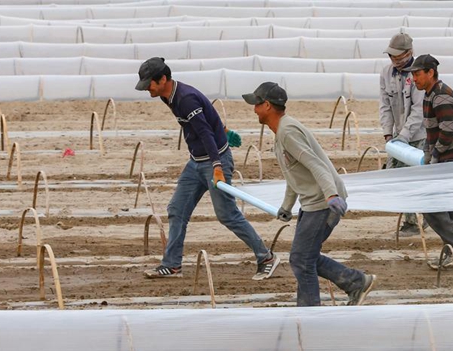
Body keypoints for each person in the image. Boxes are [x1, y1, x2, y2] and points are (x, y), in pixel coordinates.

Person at [135, 57, 279, 280]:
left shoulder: (185, 99)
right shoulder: (168, 97)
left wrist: (218, 166)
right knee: (177, 209)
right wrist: (224, 129)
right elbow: (205, 117)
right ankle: (172, 265)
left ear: (163, 79)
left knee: (227, 215)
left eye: (149, 84)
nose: (147, 89)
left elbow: (205, 133)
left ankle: (266, 257)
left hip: (214, 161)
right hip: (196, 162)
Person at [242, 82, 377, 307]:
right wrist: (286, 207)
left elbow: (316, 165)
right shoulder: (281, 132)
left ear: (267, 105)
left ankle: (310, 313)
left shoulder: (287, 132)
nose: (253, 109)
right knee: (306, 256)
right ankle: (356, 282)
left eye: (256, 104)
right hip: (313, 201)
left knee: (301, 259)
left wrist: (332, 195)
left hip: (323, 203)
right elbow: (295, 175)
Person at [404, 54, 453, 270]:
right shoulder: (429, 95)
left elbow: (447, 133)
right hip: (446, 157)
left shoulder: (442, 95)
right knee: (448, 207)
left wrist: (434, 157)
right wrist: (428, 155)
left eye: (417, 74)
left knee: (431, 205)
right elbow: (432, 133)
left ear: (430, 73)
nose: (414, 79)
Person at [379, 32, 427, 238]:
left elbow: (418, 110)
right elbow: (385, 105)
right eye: (392, 57)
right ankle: (417, 217)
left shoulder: (418, 75)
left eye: (399, 57)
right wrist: (388, 134)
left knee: (412, 177)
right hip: (399, 135)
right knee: (396, 175)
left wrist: (405, 136)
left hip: (419, 134)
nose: (395, 61)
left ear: (410, 53)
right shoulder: (386, 73)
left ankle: (413, 222)